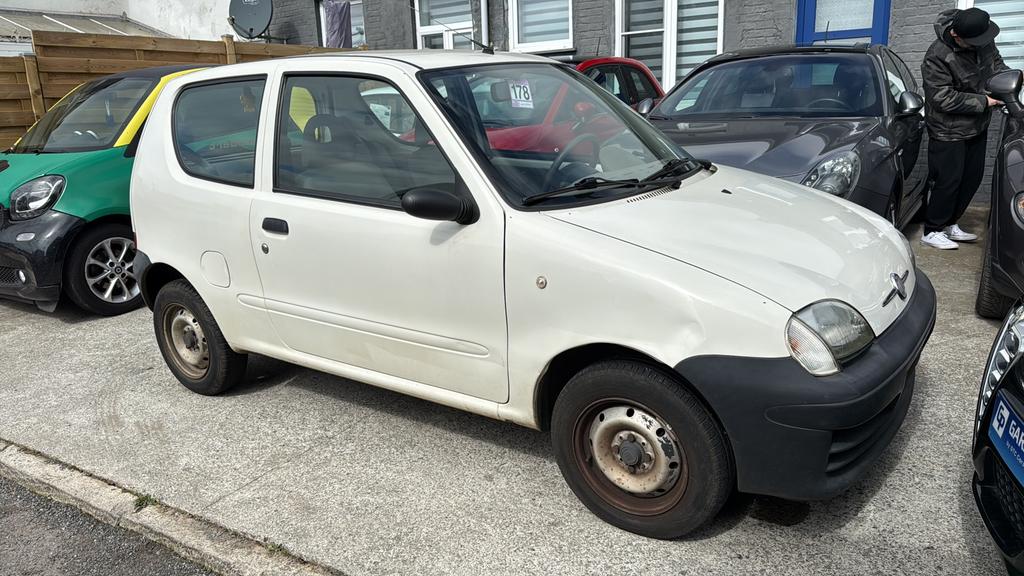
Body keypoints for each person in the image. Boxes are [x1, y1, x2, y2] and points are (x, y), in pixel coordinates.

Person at [920, 7, 1009, 250]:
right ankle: (932, 229)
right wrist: (984, 101)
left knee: (971, 179)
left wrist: (1010, 80)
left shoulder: (983, 41)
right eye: (974, 42)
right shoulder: (936, 55)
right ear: (957, 35)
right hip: (947, 131)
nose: (982, 45)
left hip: (977, 125)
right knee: (948, 182)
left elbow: (996, 65)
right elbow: (941, 97)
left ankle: (950, 224)